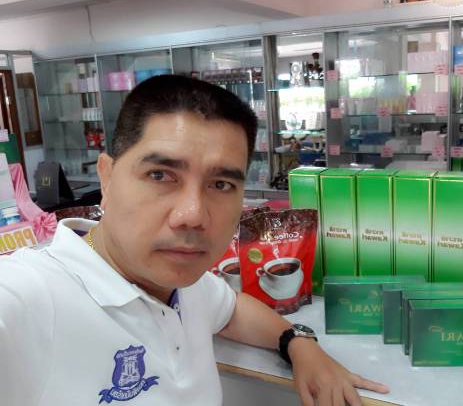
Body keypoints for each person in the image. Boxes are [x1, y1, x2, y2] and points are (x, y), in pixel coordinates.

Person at [0, 75, 389, 406]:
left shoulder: (187, 284)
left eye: (220, 184)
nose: (193, 215)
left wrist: (298, 342)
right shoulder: (29, 299)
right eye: (160, 175)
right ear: (107, 176)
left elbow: (231, 309)